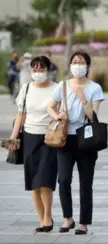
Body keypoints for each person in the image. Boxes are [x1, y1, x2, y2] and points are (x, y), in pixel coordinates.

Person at [47, 51, 104, 235]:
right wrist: (57, 115)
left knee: (85, 182)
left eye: (81, 62)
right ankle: (67, 218)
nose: (77, 65)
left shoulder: (95, 88)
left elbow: (93, 116)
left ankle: (83, 222)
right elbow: (50, 107)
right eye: (74, 62)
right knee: (63, 180)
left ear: (88, 66)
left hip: (86, 139)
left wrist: (82, 96)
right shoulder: (62, 86)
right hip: (64, 139)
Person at [9, 56, 58, 233]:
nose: (37, 72)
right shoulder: (26, 88)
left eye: (41, 69)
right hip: (29, 137)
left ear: (48, 70)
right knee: (34, 182)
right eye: (34, 69)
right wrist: (13, 138)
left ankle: (48, 217)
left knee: (45, 180)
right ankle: (41, 219)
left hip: (49, 139)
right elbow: (20, 115)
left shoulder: (56, 89)